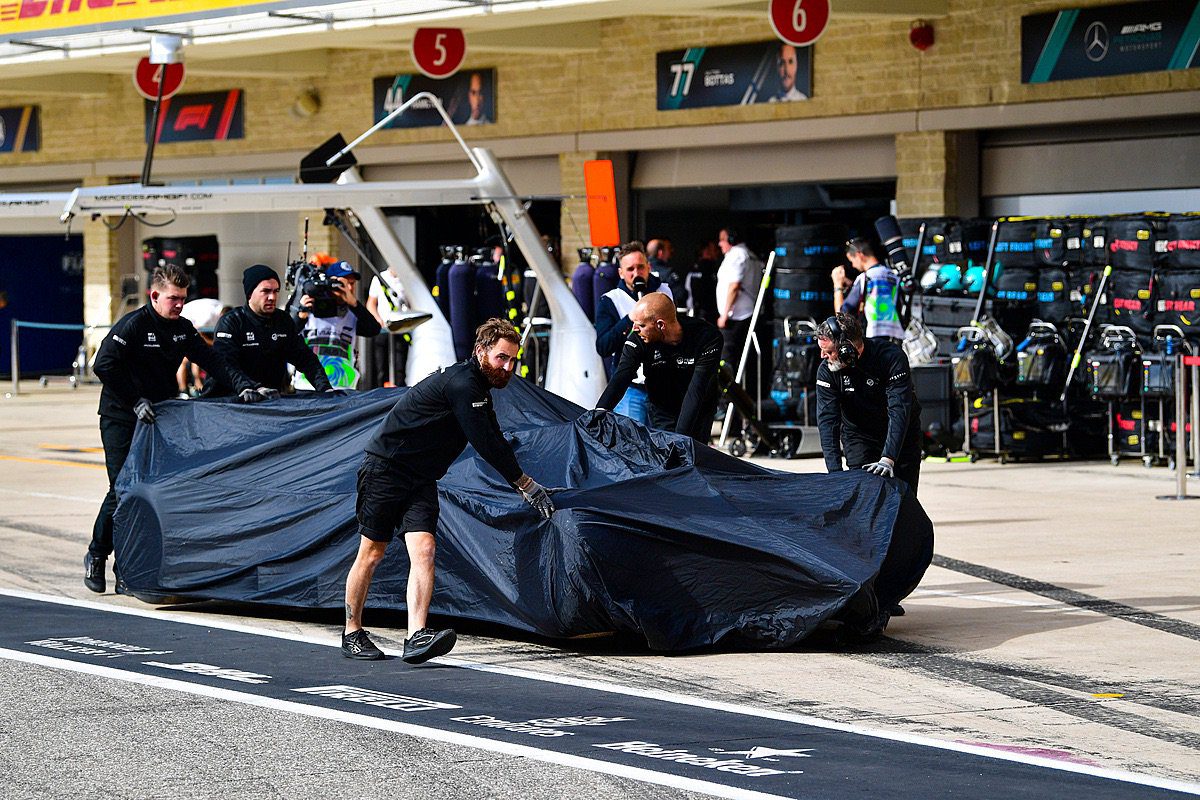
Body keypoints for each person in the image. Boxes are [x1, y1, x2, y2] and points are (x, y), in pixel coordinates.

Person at [341, 319, 557, 663]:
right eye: (501, 358)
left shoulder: (479, 390)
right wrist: (525, 485)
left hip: (421, 477)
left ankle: (416, 636)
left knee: (425, 549)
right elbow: (485, 442)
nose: (508, 368)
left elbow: (496, 437)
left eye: (513, 360)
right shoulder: (462, 384)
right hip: (387, 468)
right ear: (481, 351)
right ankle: (352, 632)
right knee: (371, 553)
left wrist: (526, 481)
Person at [85, 265, 260, 595]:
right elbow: (103, 364)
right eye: (173, 299)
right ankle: (98, 555)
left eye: (182, 298)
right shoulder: (134, 325)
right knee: (123, 489)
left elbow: (212, 361)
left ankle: (128, 567)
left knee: (151, 491)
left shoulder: (182, 329)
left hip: (159, 417)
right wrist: (135, 400)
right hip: (122, 416)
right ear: (154, 296)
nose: (179, 304)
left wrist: (244, 385)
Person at [814, 312, 922, 496]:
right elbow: (827, 422)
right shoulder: (826, 371)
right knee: (863, 500)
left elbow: (899, 409)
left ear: (847, 349)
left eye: (829, 351)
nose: (823, 356)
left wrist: (888, 458)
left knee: (904, 499)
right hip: (859, 436)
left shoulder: (891, 358)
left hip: (901, 433)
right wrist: (834, 474)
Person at [596, 293, 722, 442]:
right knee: (667, 455)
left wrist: (680, 439)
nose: (634, 329)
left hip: (698, 406)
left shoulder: (707, 337)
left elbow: (697, 391)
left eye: (641, 325)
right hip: (662, 405)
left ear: (661, 325)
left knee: (693, 454)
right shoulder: (638, 337)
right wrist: (599, 413)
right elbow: (621, 377)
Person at [207, 264, 333, 395]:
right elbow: (226, 365)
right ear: (250, 293)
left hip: (270, 401)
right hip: (229, 401)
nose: (272, 297)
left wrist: (325, 389)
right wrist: (250, 388)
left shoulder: (283, 321)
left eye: (276, 291)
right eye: (266, 291)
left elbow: (306, 360)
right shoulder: (231, 322)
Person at [594, 241, 673, 423]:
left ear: (649, 267)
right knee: (632, 444)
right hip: (631, 386)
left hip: (664, 383)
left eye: (640, 267)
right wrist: (629, 319)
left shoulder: (664, 291)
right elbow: (603, 346)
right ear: (621, 273)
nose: (636, 273)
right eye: (630, 269)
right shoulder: (611, 300)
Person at [293, 260, 382, 389]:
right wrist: (300, 315)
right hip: (308, 386)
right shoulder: (310, 307)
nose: (349, 288)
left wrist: (354, 304)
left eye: (351, 284)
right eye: (341, 283)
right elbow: (288, 335)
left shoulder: (353, 313)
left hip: (344, 386)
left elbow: (373, 329)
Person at [833, 238, 904, 343]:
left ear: (859, 255)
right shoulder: (893, 275)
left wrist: (837, 285)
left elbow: (842, 315)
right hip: (895, 337)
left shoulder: (865, 278)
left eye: (852, 260)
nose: (853, 265)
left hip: (872, 339)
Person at [715, 227, 763, 382]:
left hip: (735, 317)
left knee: (727, 359)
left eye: (722, 239)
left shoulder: (736, 255)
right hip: (747, 314)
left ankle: (727, 399)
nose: (719, 244)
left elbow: (734, 286)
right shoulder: (751, 255)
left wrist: (724, 314)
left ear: (731, 240)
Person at [365, 265, 410, 388]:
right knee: (381, 367)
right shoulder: (379, 278)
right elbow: (371, 303)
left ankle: (399, 393)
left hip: (401, 329)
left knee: (400, 367)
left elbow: (411, 303)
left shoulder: (406, 279)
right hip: (383, 329)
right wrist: (378, 319)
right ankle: (381, 394)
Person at [648, 238, 687, 310]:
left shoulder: (642, 271)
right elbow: (680, 295)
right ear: (660, 252)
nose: (670, 252)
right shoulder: (668, 273)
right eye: (668, 249)